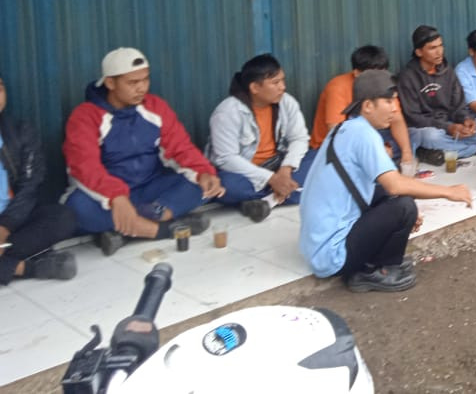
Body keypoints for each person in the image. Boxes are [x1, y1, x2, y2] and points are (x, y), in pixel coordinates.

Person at [299, 70, 472, 293]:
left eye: (395, 102)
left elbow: (380, 189)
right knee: (403, 205)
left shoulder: (345, 128)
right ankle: (374, 272)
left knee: (393, 199)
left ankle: (378, 261)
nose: (394, 109)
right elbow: (395, 184)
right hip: (332, 255)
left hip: (318, 248)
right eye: (388, 102)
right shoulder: (363, 134)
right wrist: (448, 192)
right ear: (367, 106)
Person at [64, 48, 222, 255]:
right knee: (76, 209)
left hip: (151, 189)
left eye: (145, 80)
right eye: (132, 83)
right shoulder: (85, 116)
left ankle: (131, 227)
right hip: (108, 197)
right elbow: (85, 167)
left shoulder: (155, 106)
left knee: (203, 185)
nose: (141, 88)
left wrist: (204, 172)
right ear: (110, 83)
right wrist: (116, 197)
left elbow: (181, 148)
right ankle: (160, 230)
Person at [208, 54, 315, 223]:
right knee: (226, 184)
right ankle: (286, 192)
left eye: (282, 80)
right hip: (245, 173)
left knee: (321, 158)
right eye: (275, 82)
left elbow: (299, 138)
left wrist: (285, 170)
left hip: (278, 165)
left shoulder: (287, 102)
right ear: (255, 87)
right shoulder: (227, 112)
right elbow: (226, 158)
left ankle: (266, 201)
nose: (283, 87)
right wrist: (271, 179)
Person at [0, 73, 78, 284]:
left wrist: (5, 227)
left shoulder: (20, 131)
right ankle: (29, 268)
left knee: (63, 218)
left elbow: (30, 185)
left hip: (13, 221)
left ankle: (6, 260)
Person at [398, 25, 476, 165]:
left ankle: (439, 152)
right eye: (432, 48)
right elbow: (414, 118)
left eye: (441, 46)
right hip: (425, 128)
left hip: (451, 126)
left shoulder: (447, 71)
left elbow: (458, 105)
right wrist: (447, 127)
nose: (439, 52)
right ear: (419, 52)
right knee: (431, 136)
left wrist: (466, 119)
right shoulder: (408, 77)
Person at [311, 45, 414, 169]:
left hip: (374, 135)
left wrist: (406, 153)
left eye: (382, 73)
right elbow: (337, 132)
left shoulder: (384, 85)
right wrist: (376, 148)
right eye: (373, 75)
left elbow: (397, 120)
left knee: (412, 140)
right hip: (336, 144)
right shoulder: (338, 87)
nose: (379, 79)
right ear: (357, 73)